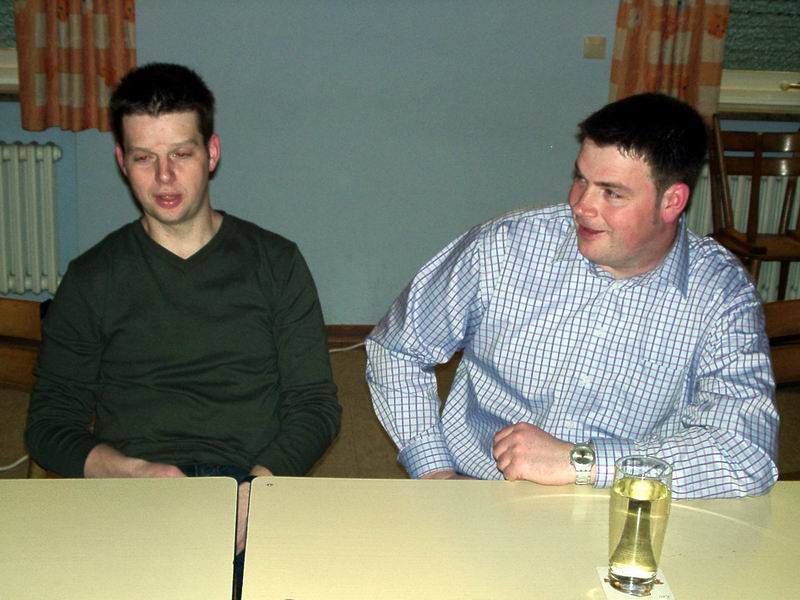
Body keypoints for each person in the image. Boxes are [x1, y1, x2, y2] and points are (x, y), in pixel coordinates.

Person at [25, 62, 341, 595]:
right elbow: (49, 424)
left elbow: (315, 405)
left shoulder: (276, 263)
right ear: (122, 162)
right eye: (144, 157)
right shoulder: (92, 277)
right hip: (134, 489)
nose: (164, 177)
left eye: (181, 154)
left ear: (211, 153)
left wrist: (257, 491)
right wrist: (131, 473)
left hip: (253, 482)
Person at [366, 93, 778, 499]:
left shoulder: (721, 293)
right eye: (581, 179)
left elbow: (746, 452)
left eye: (612, 192)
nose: (582, 206)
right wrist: (435, 471)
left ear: (672, 201)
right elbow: (398, 349)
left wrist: (582, 462)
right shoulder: (505, 248)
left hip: (621, 501)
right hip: (481, 490)